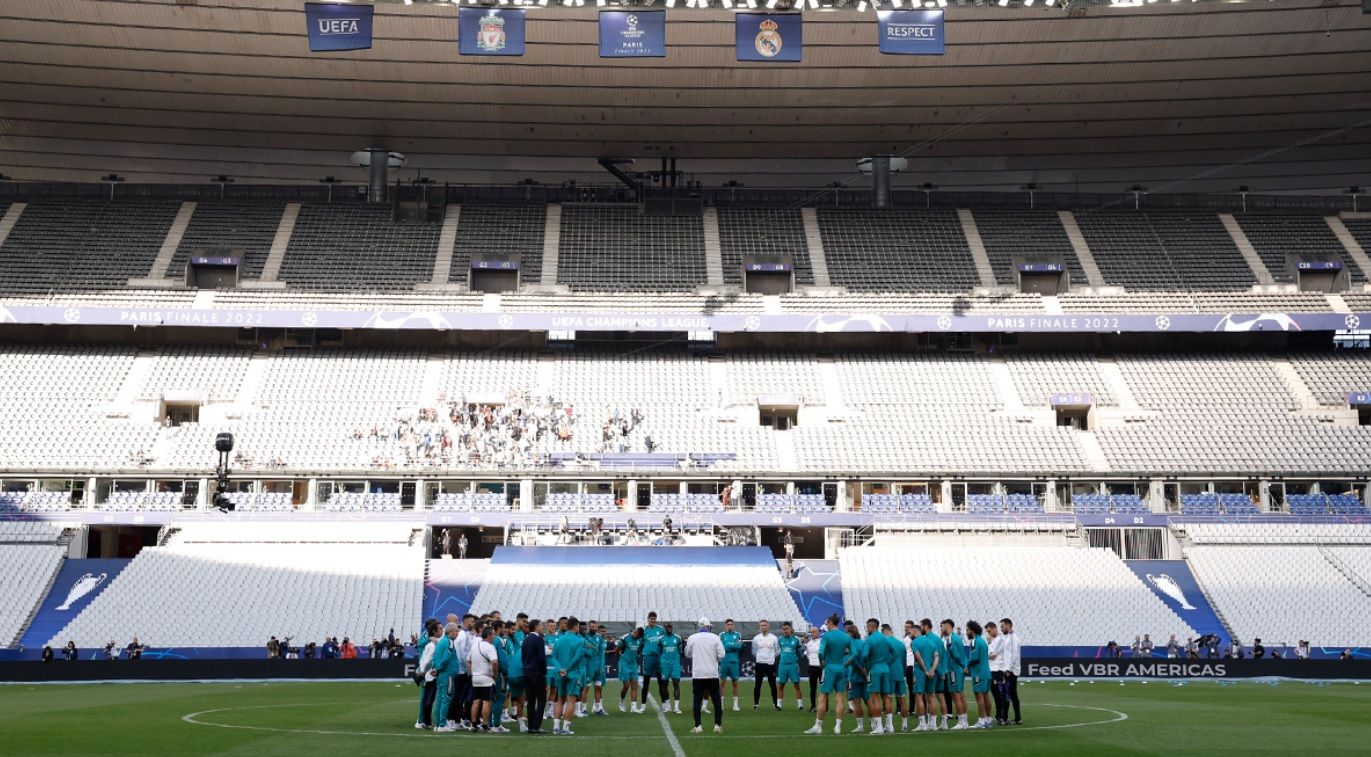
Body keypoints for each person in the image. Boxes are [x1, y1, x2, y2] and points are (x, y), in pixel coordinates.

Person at [804, 614, 851, 735]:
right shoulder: (845, 636)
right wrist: (845, 664)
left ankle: (818, 726)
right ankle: (838, 727)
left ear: (830, 622)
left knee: (823, 697)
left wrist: (821, 663)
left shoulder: (827, 636)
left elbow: (820, 652)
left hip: (829, 667)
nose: (826, 625)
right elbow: (854, 653)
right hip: (841, 667)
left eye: (826, 623)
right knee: (839, 698)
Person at [685, 617, 726, 734]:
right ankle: (717, 725)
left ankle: (698, 725)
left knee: (697, 700)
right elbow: (722, 655)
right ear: (709, 626)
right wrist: (714, 658)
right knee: (716, 700)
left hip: (698, 674)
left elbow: (687, 653)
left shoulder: (692, 638)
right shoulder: (715, 637)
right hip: (712, 673)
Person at [552, 616, 587, 735]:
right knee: (571, 701)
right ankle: (565, 728)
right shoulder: (580, 640)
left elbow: (554, 657)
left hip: (560, 674)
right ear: (576, 626)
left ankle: (556, 727)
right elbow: (577, 658)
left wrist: (560, 669)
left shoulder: (559, 640)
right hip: (573, 673)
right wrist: (567, 669)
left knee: (560, 700)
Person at [912, 620, 943, 731]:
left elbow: (918, 657)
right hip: (931, 672)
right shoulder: (931, 642)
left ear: (915, 632)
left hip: (920, 672)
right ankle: (933, 724)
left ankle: (922, 724)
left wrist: (925, 670)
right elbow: (937, 657)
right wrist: (932, 670)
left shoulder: (915, 642)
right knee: (931, 697)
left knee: (919, 697)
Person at [468, 625, 499, 732]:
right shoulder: (490, 647)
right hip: (486, 678)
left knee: (476, 701)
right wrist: (495, 674)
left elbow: (468, 660)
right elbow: (494, 662)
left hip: (475, 677)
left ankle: (473, 724)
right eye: (494, 634)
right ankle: (485, 725)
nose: (495, 636)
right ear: (489, 635)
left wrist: (472, 672)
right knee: (487, 701)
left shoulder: (475, 645)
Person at [432, 622, 462, 732]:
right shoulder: (449, 642)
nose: (457, 633)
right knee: (446, 699)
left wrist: (435, 668)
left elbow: (435, 657)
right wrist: (438, 668)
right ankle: (442, 724)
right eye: (456, 631)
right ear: (450, 632)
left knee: (439, 699)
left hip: (441, 674)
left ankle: (437, 724)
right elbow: (445, 658)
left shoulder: (441, 642)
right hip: (447, 674)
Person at [941, 619, 969, 730]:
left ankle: (961, 721)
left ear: (947, 626)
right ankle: (965, 720)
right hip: (958, 669)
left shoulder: (952, 638)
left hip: (954, 669)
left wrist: (962, 665)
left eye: (943, 626)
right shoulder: (956, 638)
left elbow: (956, 655)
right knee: (960, 694)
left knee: (955, 695)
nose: (942, 629)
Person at [522, 619, 548, 733]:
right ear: (536, 627)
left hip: (527, 672)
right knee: (541, 700)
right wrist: (544, 672)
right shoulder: (539, 639)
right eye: (541, 625)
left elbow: (523, 657)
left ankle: (530, 726)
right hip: (537, 673)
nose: (542, 627)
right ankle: (536, 726)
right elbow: (542, 658)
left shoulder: (526, 639)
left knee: (531, 701)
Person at [414, 618, 441, 730]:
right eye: (439, 628)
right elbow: (427, 658)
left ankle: (424, 720)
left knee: (427, 697)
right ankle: (422, 721)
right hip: (427, 672)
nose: (442, 630)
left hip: (425, 670)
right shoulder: (429, 639)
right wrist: (422, 671)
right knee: (427, 698)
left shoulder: (429, 639)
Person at [966, 621, 993, 729]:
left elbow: (974, 657)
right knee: (986, 696)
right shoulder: (983, 641)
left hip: (978, 673)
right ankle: (988, 719)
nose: (966, 632)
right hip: (986, 672)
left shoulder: (975, 641)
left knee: (979, 696)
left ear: (972, 630)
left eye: (967, 630)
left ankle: (981, 720)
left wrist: (966, 665)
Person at [845, 623, 869, 732]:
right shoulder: (863, 643)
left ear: (850, 634)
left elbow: (853, 660)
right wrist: (865, 670)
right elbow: (866, 657)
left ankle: (860, 726)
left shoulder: (851, 645)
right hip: (865, 676)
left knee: (857, 701)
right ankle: (875, 724)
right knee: (868, 701)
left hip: (855, 675)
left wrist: (860, 669)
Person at [752, 619, 780, 710]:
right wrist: (760, 657)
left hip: (770, 664)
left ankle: (775, 704)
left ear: (768, 626)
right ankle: (756, 704)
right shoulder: (756, 638)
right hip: (759, 664)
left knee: (772, 685)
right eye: (761, 625)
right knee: (757, 684)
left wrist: (770, 657)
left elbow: (778, 651)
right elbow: (754, 651)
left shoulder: (774, 638)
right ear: (759, 627)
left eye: (764, 625)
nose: (763, 627)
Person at [640, 611, 666, 709]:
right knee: (646, 682)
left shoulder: (661, 630)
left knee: (661, 682)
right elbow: (641, 643)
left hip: (658, 658)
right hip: (648, 658)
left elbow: (664, 643)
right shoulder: (644, 631)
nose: (653, 620)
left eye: (654, 618)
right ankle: (643, 705)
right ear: (648, 619)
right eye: (651, 618)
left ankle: (664, 704)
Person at [777, 622, 805, 711]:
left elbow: (801, 652)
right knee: (781, 685)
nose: (785, 630)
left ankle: (800, 705)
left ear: (791, 629)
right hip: (783, 665)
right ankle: (779, 705)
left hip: (793, 665)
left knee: (796, 685)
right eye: (784, 629)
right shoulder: (780, 639)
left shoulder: (797, 640)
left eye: (787, 629)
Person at [617, 627, 645, 713]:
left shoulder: (640, 641)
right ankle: (621, 702)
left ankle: (633, 707)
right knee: (626, 685)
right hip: (624, 663)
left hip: (633, 664)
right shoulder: (625, 638)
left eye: (636, 634)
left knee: (635, 684)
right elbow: (617, 650)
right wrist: (620, 661)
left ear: (639, 636)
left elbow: (639, 650)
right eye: (634, 632)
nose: (634, 634)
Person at [1000, 618, 1022, 725]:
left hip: (1011, 671)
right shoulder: (1009, 637)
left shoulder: (1013, 638)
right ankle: (1017, 718)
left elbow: (1013, 655)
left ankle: (1005, 718)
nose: (1001, 628)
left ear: (1008, 625)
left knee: (1007, 694)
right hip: (1010, 670)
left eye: (1002, 626)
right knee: (1012, 695)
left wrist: (1008, 669)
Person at [719, 619, 744, 711]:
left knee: (735, 683)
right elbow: (722, 647)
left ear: (733, 625)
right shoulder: (722, 635)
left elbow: (739, 646)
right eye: (728, 624)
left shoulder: (737, 634)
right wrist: (733, 645)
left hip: (734, 662)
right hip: (724, 661)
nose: (730, 626)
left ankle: (735, 705)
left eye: (731, 624)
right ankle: (721, 704)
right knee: (722, 683)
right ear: (725, 625)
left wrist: (728, 646)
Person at [660, 623, 685, 713]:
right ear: (665, 628)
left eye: (670, 627)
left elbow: (680, 651)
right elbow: (659, 651)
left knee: (676, 683)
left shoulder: (677, 638)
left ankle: (676, 707)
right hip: (665, 665)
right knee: (664, 685)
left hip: (675, 664)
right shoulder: (661, 639)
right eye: (667, 627)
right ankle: (667, 706)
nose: (669, 628)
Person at [804, 626, 822, 713]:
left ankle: (824, 707)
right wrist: (812, 662)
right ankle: (813, 706)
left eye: (814, 632)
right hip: (812, 667)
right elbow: (807, 654)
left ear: (818, 632)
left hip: (821, 667)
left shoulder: (822, 642)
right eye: (811, 632)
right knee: (812, 688)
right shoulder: (809, 643)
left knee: (823, 688)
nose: (812, 634)